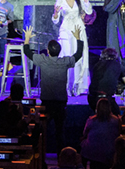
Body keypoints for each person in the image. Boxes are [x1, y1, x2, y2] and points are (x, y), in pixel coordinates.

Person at [24, 24, 85, 152]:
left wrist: (27, 39)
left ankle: (39, 156)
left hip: (47, 103)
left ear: (48, 50)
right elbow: (78, 54)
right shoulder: (64, 62)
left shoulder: (43, 60)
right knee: (60, 132)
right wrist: (78, 39)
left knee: (41, 131)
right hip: (60, 103)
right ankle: (61, 158)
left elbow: (27, 52)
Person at [54, 0, 93, 96]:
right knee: (67, 56)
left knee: (79, 57)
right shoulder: (60, 0)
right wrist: (55, 13)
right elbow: (55, 20)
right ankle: (66, 86)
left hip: (78, 29)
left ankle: (78, 85)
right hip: (66, 30)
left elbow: (89, 11)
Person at [80, 98, 121, 169]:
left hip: (92, 150)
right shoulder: (116, 120)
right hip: (110, 149)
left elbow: (84, 133)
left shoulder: (91, 120)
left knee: (82, 143)